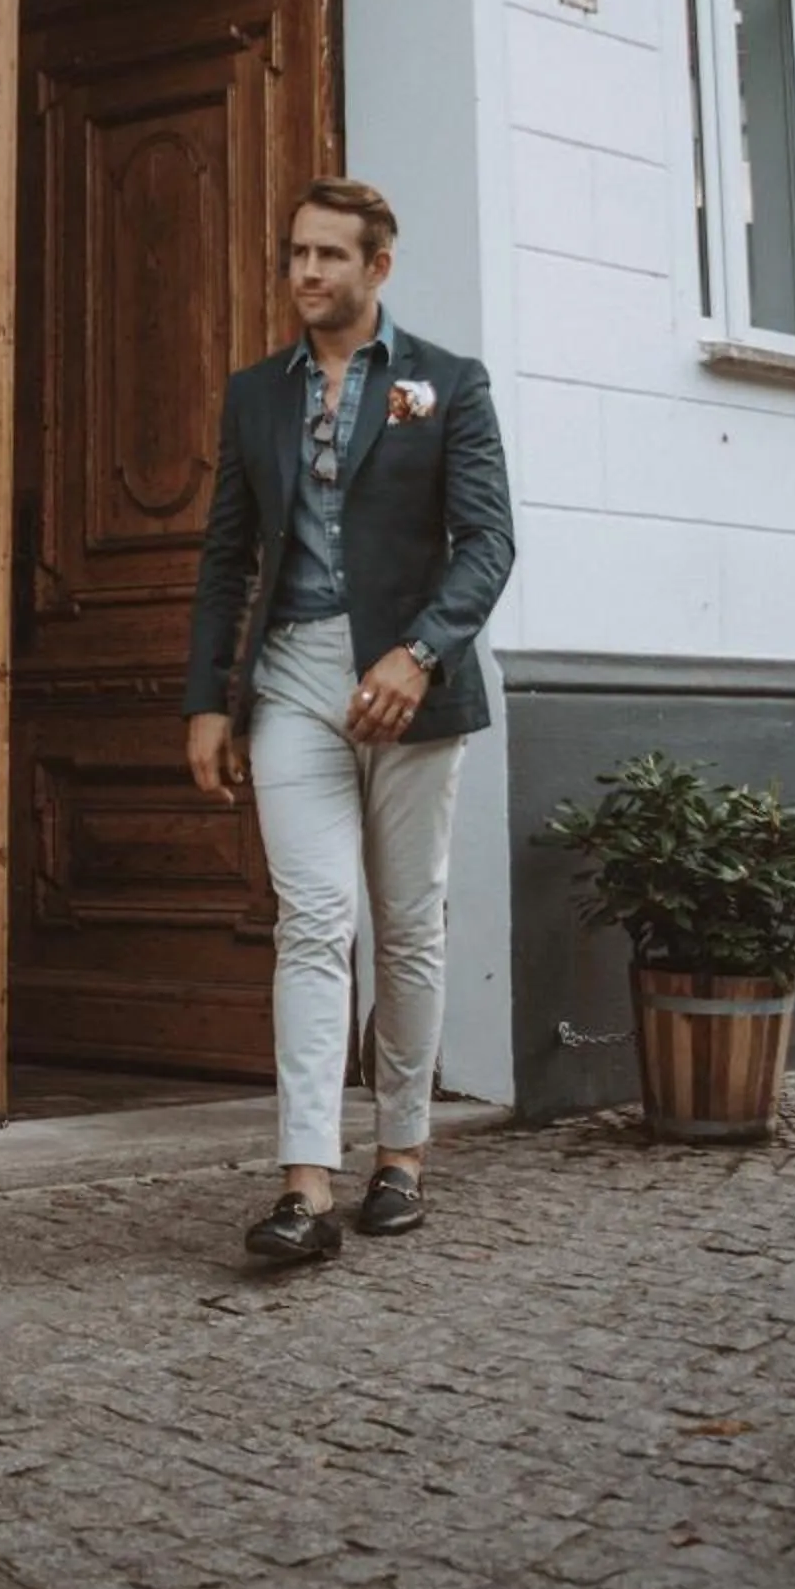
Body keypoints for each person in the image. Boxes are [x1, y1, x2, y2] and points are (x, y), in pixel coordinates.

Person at [184, 178, 515, 1264]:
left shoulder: (448, 385)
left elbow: (485, 543)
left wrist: (417, 655)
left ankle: (402, 1157)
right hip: (290, 681)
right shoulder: (254, 397)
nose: (305, 274)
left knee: (407, 924)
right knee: (312, 923)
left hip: (407, 686)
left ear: (379, 266)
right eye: (294, 255)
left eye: (328, 255)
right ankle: (304, 1186)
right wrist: (204, 703)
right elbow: (226, 557)